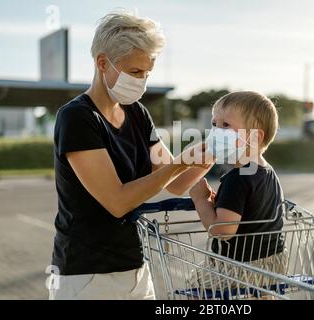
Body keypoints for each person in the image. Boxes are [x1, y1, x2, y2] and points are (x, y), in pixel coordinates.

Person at [49, 10, 211, 300]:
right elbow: (117, 201)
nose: (142, 81)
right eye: (135, 72)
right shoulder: (77, 118)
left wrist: (211, 154)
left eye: (147, 73)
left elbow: (173, 181)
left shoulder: (137, 113)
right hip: (87, 275)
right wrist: (181, 162)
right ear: (102, 62)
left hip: (135, 270)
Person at [188, 91, 288, 294]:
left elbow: (222, 231)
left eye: (226, 125)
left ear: (255, 137)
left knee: (193, 286)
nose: (216, 131)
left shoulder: (238, 178)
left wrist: (201, 200)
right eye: (215, 124)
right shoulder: (268, 173)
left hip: (237, 269)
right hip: (272, 267)